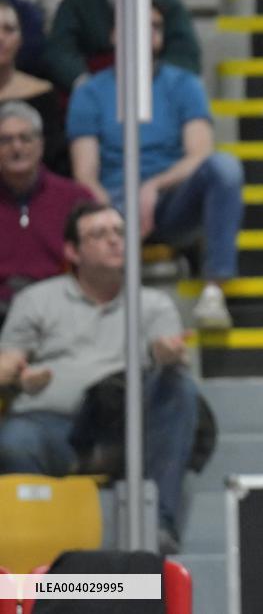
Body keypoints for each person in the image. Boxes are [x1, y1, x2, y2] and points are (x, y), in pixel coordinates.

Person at [0, 202, 200, 553]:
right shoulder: (37, 300)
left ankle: (158, 527)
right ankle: (33, 549)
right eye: (99, 234)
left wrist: (166, 355)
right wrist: (17, 375)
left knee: (179, 386)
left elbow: (167, 350)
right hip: (52, 427)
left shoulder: (153, 304)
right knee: (16, 439)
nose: (114, 241)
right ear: (72, 251)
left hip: (122, 429)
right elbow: (8, 361)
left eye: (120, 233)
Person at [66, 3, 243, 329]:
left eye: (156, 26)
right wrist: (113, 216)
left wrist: (153, 187)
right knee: (81, 206)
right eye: (139, 24)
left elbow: (200, 154)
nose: (149, 32)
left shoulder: (185, 85)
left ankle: (214, 292)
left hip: (169, 201)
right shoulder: (89, 92)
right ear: (115, 34)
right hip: (112, 200)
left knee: (225, 167)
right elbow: (85, 173)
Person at [43, 0, 200, 93]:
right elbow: (60, 52)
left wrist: (156, 85)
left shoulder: (169, 4)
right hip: (92, 92)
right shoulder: (77, 3)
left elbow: (185, 57)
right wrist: (88, 85)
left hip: (156, 94)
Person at [0, 100, 92, 318]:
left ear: (40, 144)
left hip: (61, 309)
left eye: (25, 138)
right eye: (5, 140)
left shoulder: (76, 198)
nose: (17, 147)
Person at [0, 0, 67, 176]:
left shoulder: (43, 93)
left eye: (9, 29)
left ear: (21, 39)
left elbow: (54, 160)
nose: (0, 38)